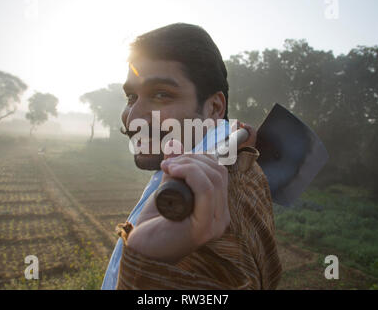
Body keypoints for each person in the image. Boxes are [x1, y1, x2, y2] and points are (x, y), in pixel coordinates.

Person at [101, 23, 282, 290]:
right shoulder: (238, 163)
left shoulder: (203, 208)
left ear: (214, 108)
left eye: (161, 94)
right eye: (131, 97)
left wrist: (148, 265)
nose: (134, 117)